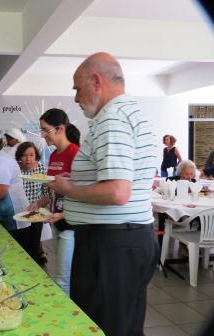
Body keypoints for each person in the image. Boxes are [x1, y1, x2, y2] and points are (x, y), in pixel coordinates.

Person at [48, 52, 159, 336]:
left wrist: (68, 188)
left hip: (111, 243)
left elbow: (117, 191)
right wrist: (79, 179)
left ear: (96, 81)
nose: (75, 98)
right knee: (123, 325)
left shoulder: (112, 118)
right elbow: (119, 179)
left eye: (77, 88)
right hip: (123, 239)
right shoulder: (129, 112)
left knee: (106, 327)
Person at [28, 108, 80, 295]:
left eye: (45, 130)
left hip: (71, 223)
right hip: (57, 221)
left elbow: (84, 195)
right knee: (62, 275)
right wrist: (40, 203)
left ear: (60, 129)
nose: (42, 135)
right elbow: (54, 190)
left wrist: (63, 214)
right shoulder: (55, 155)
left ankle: (68, 319)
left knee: (63, 279)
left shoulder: (76, 154)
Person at [15, 141, 50, 265]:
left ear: (36, 156)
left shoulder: (41, 168)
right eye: (24, 155)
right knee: (21, 247)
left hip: (36, 214)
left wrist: (38, 203)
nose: (28, 159)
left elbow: (47, 195)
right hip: (18, 215)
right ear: (19, 156)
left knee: (34, 246)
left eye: (31, 155)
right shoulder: (15, 169)